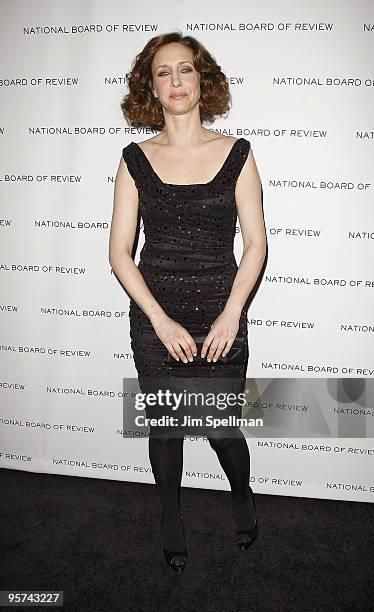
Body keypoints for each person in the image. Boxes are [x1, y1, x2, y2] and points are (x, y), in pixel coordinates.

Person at [109, 31, 266, 573]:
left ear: (203, 80)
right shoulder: (134, 159)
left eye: (185, 70)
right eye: (162, 72)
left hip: (221, 313)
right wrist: (159, 320)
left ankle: (242, 495)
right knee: (166, 427)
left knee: (223, 428)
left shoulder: (237, 154)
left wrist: (231, 313)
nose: (175, 81)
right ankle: (170, 517)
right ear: (150, 87)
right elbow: (120, 253)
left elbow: (255, 244)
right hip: (157, 315)